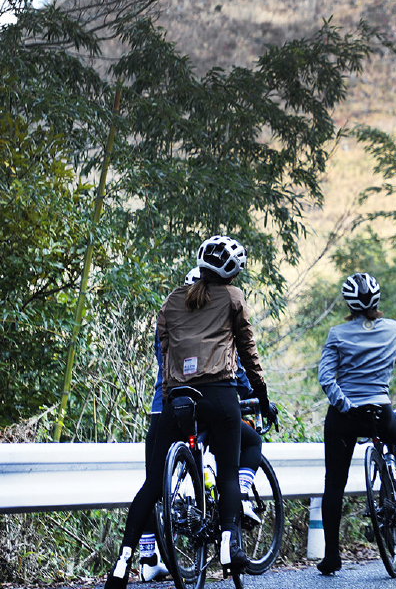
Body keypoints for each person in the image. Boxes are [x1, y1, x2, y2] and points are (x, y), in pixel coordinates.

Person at [105, 235, 274, 589]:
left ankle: (122, 562)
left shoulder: (172, 299)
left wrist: (169, 397)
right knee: (228, 473)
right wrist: (261, 394)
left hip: (178, 401)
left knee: (154, 484)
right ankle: (229, 546)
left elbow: (165, 355)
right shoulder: (232, 297)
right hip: (220, 396)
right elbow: (248, 354)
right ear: (233, 272)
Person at [316, 272, 396, 575]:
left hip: (344, 418)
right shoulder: (393, 329)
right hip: (380, 412)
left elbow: (326, 378)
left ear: (349, 303)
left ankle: (332, 557)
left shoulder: (337, 334)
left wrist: (345, 405)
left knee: (334, 485)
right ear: (377, 300)